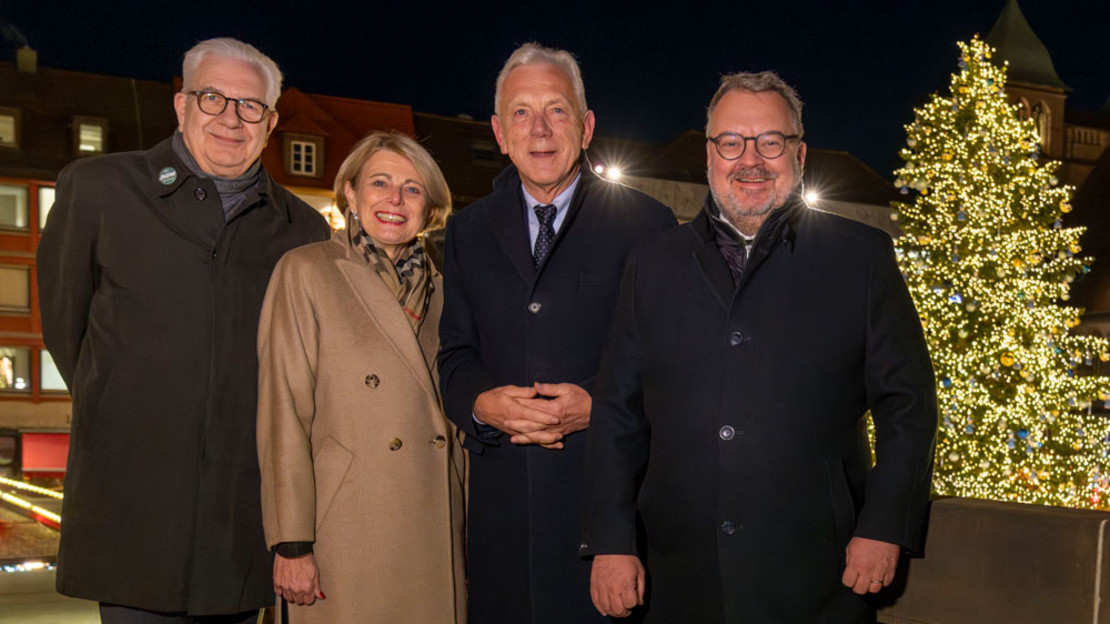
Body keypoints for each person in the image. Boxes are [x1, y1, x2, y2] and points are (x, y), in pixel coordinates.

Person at [583, 71, 938, 623]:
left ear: (799, 154)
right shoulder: (652, 264)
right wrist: (611, 539)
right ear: (709, 155)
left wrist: (885, 525)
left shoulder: (862, 259)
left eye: (770, 142)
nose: (750, 159)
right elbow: (616, 415)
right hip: (676, 577)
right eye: (731, 142)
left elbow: (908, 406)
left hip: (821, 576)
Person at [36, 38, 330, 623]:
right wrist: (128, 403)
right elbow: (67, 331)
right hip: (131, 507)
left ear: (270, 122)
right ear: (181, 105)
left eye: (250, 106)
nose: (230, 118)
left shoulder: (303, 230)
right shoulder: (98, 189)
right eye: (212, 97)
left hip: (241, 516)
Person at [437, 43, 676, 623]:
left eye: (557, 110)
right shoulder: (466, 230)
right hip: (502, 522)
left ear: (587, 125)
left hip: (608, 516)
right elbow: (454, 355)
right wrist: (479, 403)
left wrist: (599, 403)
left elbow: (672, 359)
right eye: (521, 112)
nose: (539, 128)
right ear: (498, 132)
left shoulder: (648, 224)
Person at [256, 131, 465, 623]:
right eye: (380, 183)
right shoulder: (306, 271)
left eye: (413, 189)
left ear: (431, 208)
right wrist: (291, 542)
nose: (395, 199)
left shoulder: (443, 290)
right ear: (350, 193)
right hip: (342, 531)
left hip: (433, 523)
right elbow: (282, 411)